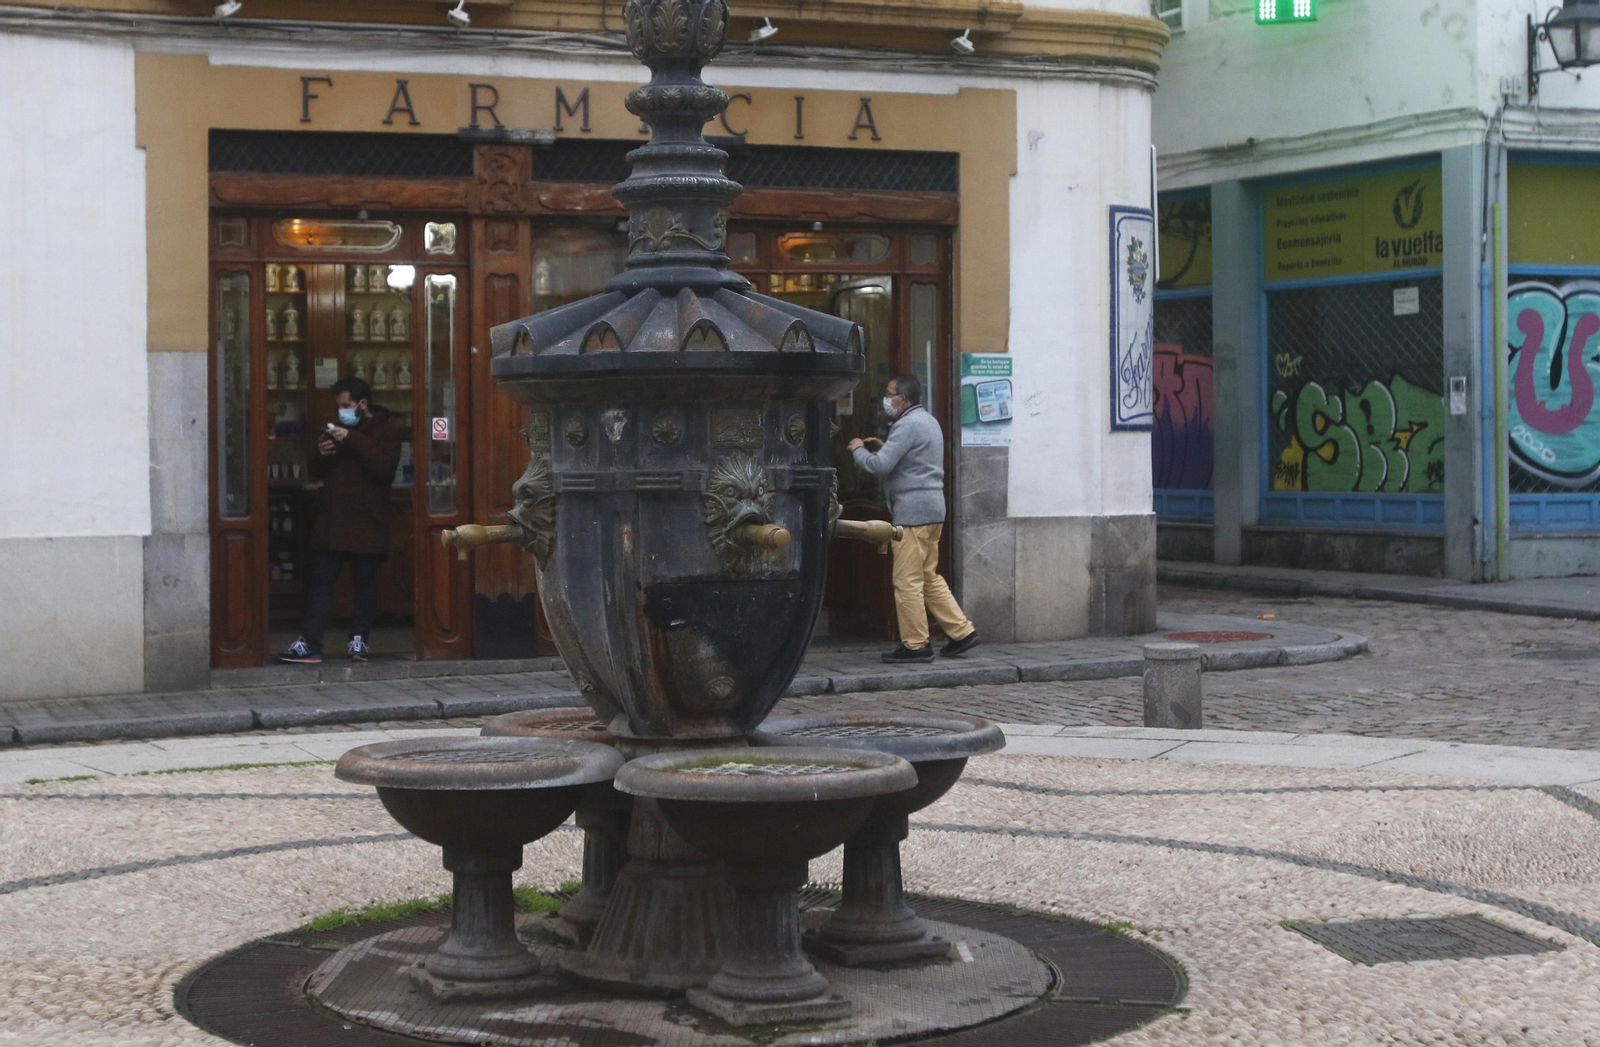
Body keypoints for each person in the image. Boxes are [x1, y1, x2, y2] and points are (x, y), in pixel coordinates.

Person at [848, 374, 981, 663]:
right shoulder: (928, 421)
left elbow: (879, 467)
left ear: (903, 399)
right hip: (933, 509)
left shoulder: (906, 425)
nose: (886, 399)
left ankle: (916, 644)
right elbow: (913, 462)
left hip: (912, 513)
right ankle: (961, 632)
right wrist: (886, 447)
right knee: (928, 576)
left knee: (907, 580)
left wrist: (858, 449)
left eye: (889, 393)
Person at [278, 376, 403, 664]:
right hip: (332, 523)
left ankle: (359, 641)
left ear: (362, 403)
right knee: (321, 583)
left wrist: (353, 438)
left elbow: (384, 468)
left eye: (346, 405)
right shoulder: (336, 430)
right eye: (339, 405)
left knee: (365, 584)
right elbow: (319, 471)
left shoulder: (385, 430)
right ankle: (310, 643)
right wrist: (321, 454)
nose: (341, 411)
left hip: (367, 521)